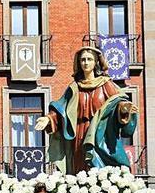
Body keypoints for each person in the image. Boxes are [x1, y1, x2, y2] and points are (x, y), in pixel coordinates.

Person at [34, 46, 138, 174]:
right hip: (79, 134)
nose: (86, 63)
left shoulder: (106, 84)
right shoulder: (74, 87)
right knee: (80, 169)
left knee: (100, 170)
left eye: (89, 59)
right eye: (83, 60)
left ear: (96, 63)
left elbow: (118, 101)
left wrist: (124, 108)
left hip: (100, 134)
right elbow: (61, 109)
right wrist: (48, 119)